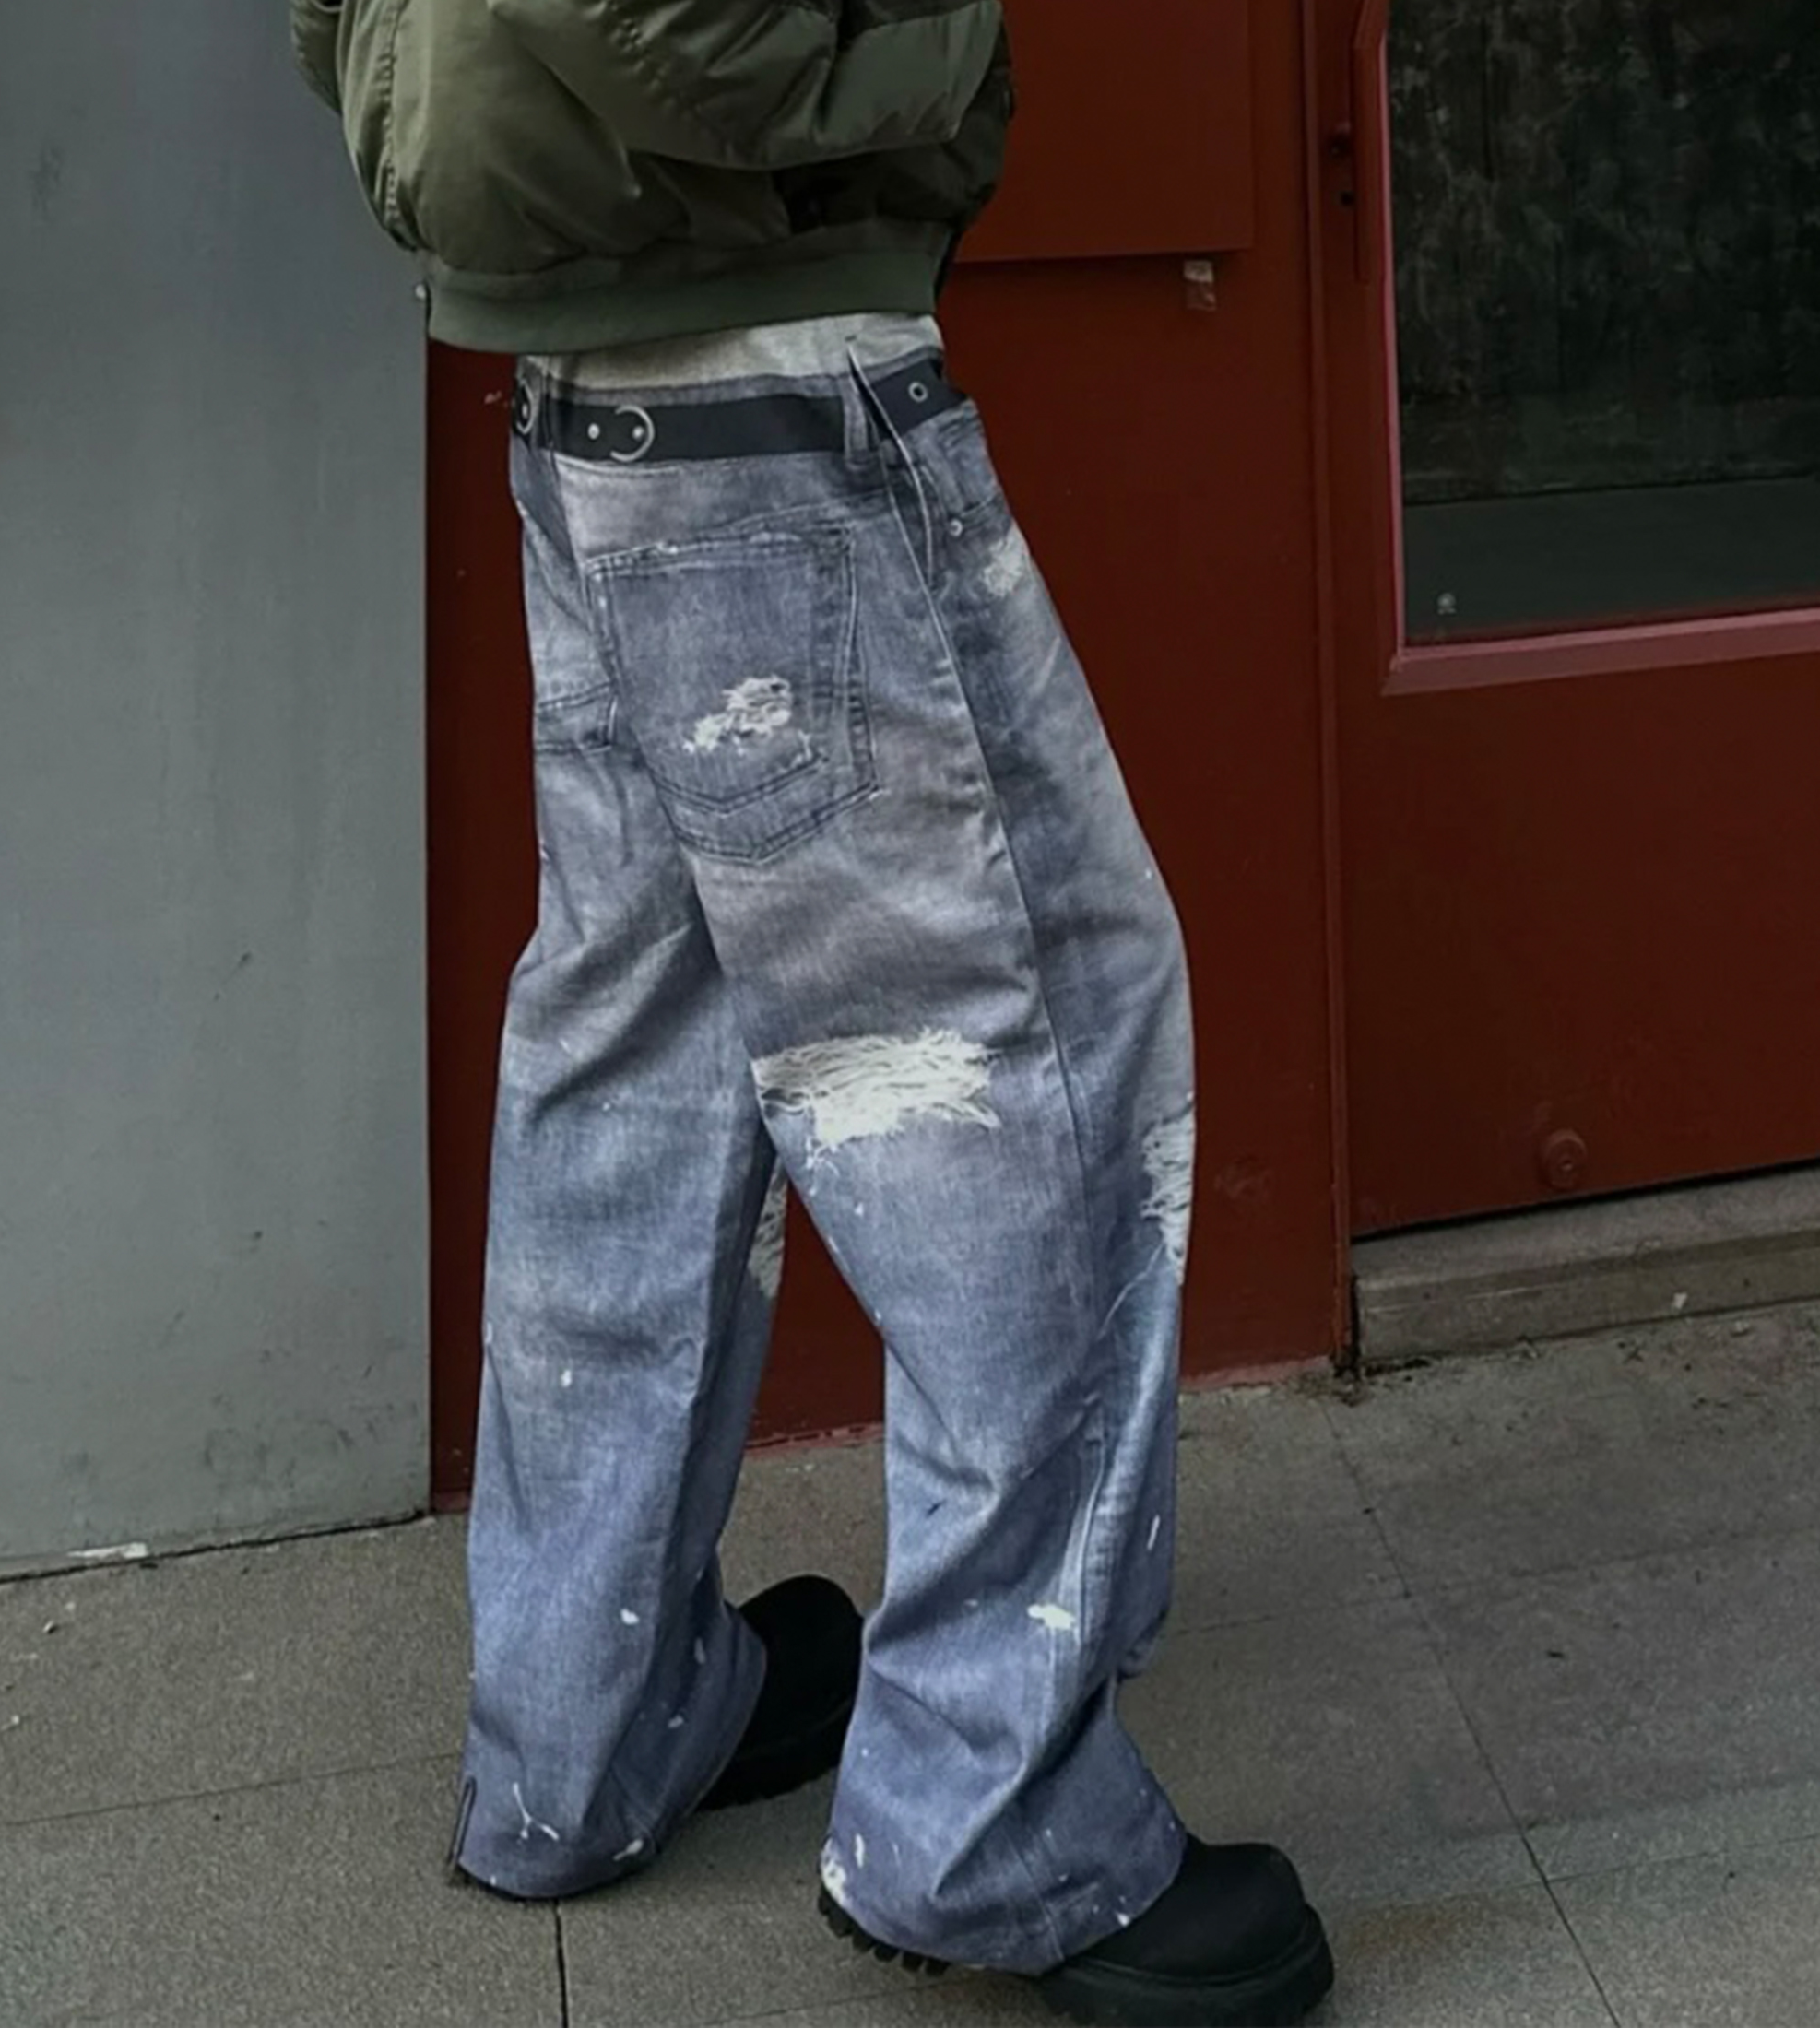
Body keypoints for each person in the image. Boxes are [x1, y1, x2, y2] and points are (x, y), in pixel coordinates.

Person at [293, 4, 1332, 2022]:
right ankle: (995, 1820)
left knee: (641, 1059)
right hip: (769, 371)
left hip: (595, 361)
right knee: (1028, 1052)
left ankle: (582, 1725)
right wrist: (943, 55)